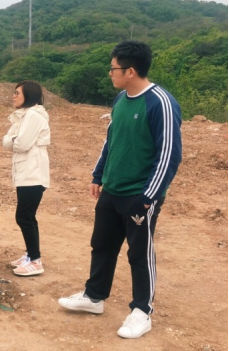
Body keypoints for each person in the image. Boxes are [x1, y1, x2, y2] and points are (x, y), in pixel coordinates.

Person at [58, 40, 182, 339]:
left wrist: (148, 197)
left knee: (139, 253)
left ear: (130, 71)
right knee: (102, 245)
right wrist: (98, 175)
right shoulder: (121, 99)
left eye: (113, 68)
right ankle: (94, 296)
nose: (110, 73)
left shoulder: (161, 103)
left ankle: (142, 311)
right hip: (112, 189)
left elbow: (169, 155)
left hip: (139, 193)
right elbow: (111, 140)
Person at [2, 81, 51, 276]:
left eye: (17, 93)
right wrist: (13, 140)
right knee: (27, 216)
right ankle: (31, 255)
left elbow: (20, 144)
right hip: (26, 173)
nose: (13, 96)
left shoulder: (33, 115)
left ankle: (35, 261)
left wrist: (13, 140)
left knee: (24, 216)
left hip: (33, 173)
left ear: (28, 95)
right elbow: (7, 140)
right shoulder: (25, 114)